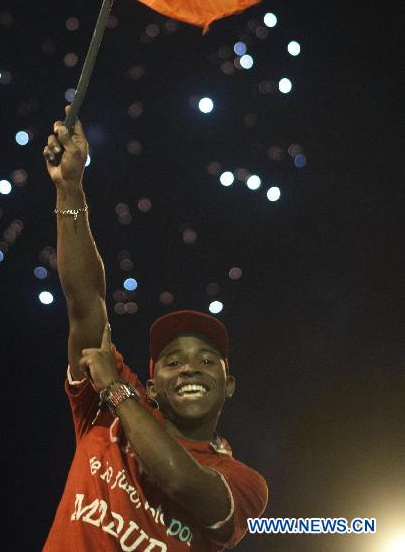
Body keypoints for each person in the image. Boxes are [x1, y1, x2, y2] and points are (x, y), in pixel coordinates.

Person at [42, 110, 268, 551]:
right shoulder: (105, 407)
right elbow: (85, 301)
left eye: (207, 361)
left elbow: (182, 483)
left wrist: (116, 390)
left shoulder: (244, 483)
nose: (189, 369)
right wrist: (70, 187)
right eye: (172, 361)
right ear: (152, 386)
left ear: (229, 385)